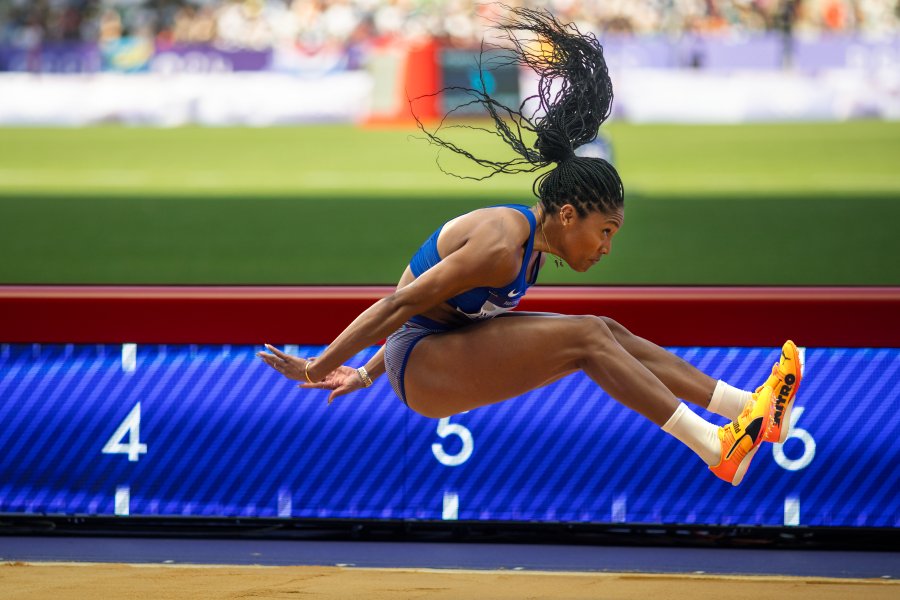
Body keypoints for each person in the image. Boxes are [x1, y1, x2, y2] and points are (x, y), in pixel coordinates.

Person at [258, 8, 802, 486]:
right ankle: (714, 445)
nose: (607, 248)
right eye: (606, 231)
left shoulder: (534, 250)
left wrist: (362, 373)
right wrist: (319, 366)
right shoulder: (501, 244)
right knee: (588, 336)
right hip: (421, 365)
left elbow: (425, 306)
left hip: (428, 351)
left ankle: (747, 409)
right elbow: (401, 306)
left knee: (603, 330)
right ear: (568, 215)